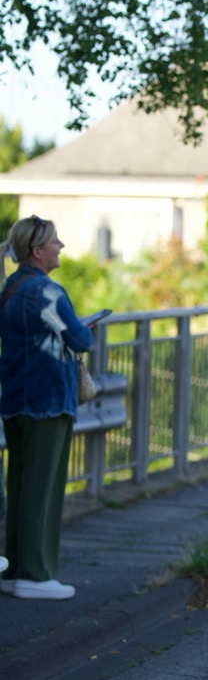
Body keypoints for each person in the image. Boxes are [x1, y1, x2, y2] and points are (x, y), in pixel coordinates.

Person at [0, 216, 93, 599]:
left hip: (15, 398)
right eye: (55, 241)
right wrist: (84, 328)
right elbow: (79, 339)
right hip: (48, 401)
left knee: (21, 485)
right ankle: (36, 575)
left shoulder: (11, 286)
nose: (61, 246)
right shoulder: (47, 291)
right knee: (44, 489)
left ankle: (14, 569)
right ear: (37, 251)